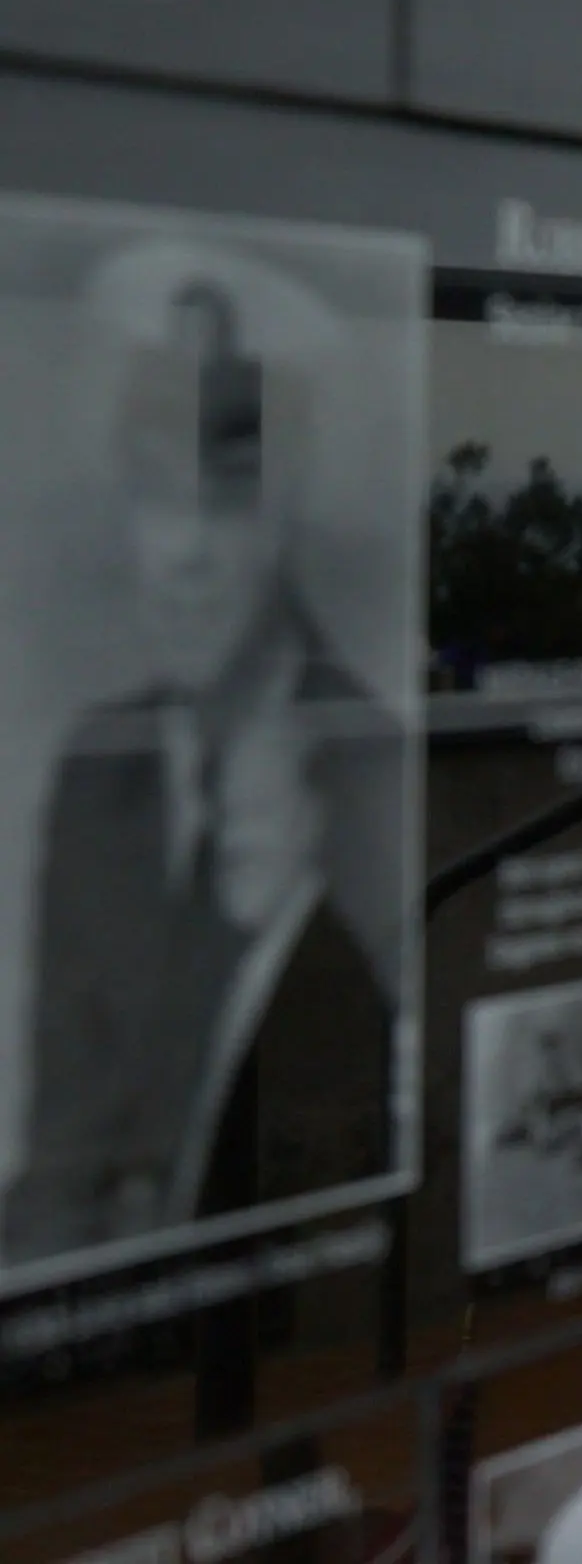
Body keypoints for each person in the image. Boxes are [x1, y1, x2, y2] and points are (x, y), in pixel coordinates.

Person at [6, 249, 400, 1267]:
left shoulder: (378, 775)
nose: (181, 554)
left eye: (226, 503)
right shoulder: (100, 768)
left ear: (285, 515)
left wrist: (281, 931)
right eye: (155, 494)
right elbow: (61, 1152)